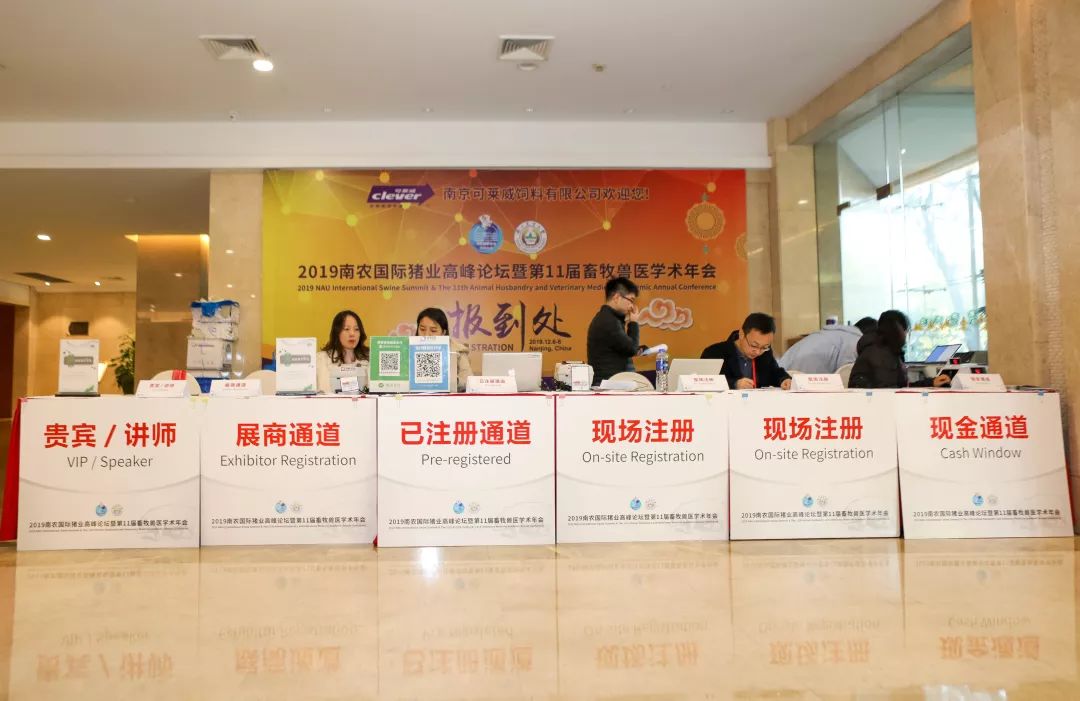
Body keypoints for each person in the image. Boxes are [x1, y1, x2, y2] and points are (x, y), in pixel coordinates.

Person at [848, 309, 950, 389]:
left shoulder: (884, 350)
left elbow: (900, 387)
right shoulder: (880, 355)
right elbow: (890, 392)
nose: (906, 335)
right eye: (905, 330)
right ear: (898, 330)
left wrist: (931, 382)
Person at [701, 313, 792, 390]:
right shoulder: (714, 353)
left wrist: (784, 379)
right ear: (741, 334)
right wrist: (734, 384)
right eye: (754, 345)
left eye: (764, 347)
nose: (758, 352)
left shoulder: (765, 352)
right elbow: (704, 382)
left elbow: (775, 372)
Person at [587, 277, 644, 383]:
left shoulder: (609, 318)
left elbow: (624, 348)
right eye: (631, 300)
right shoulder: (608, 321)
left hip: (612, 382)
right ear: (617, 297)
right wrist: (633, 322)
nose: (631, 306)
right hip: (609, 384)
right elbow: (631, 349)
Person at [779, 316, 878, 375]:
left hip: (783, 371)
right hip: (805, 376)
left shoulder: (835, 333)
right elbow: (846, 372)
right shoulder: (854, 340)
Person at [416, 306, 473, 391]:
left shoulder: (458, 350)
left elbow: (468, 381)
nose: (427, 335)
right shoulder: (407, 349)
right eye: (422, 329)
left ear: (443, 332)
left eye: (433, 331)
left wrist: (453, 380)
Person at [316, 310, 370, 394]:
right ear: (337, 332)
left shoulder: (370, 359)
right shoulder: (320, 360)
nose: (352, 333)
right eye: (346, 329)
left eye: (356, 329)